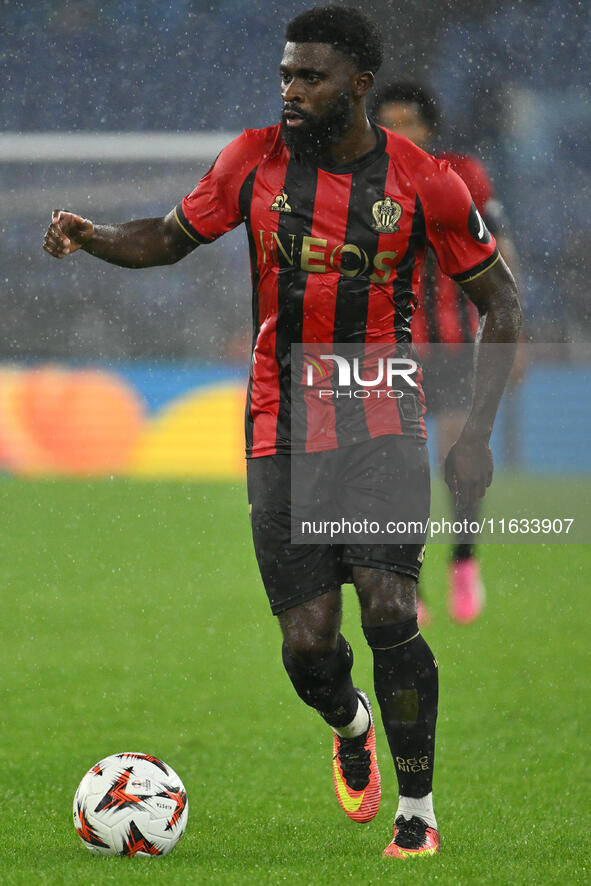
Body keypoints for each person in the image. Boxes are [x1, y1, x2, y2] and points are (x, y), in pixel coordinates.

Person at [43, 6, 521, 860]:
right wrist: (94, 237)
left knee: (387, 608)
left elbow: (503, 303)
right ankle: (349, 720)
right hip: (281, 420)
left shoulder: (422, 180)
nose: (291, 90)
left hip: (382, 413)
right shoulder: (252, 161)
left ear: (359, 85)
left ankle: (417, 810)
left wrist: (476, 434)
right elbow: (168, 237)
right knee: (308, 644)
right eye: (285, 74)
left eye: (311, 76)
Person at [373, 82, 519, 625]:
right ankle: (409, 584)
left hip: (456, 345)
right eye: (390, 122)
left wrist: (513, 331)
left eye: (409, 121)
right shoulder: (367, 180)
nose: (401, 132)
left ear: (429, 126)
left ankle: (463, 564)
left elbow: (499, 253)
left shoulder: (462, 173)